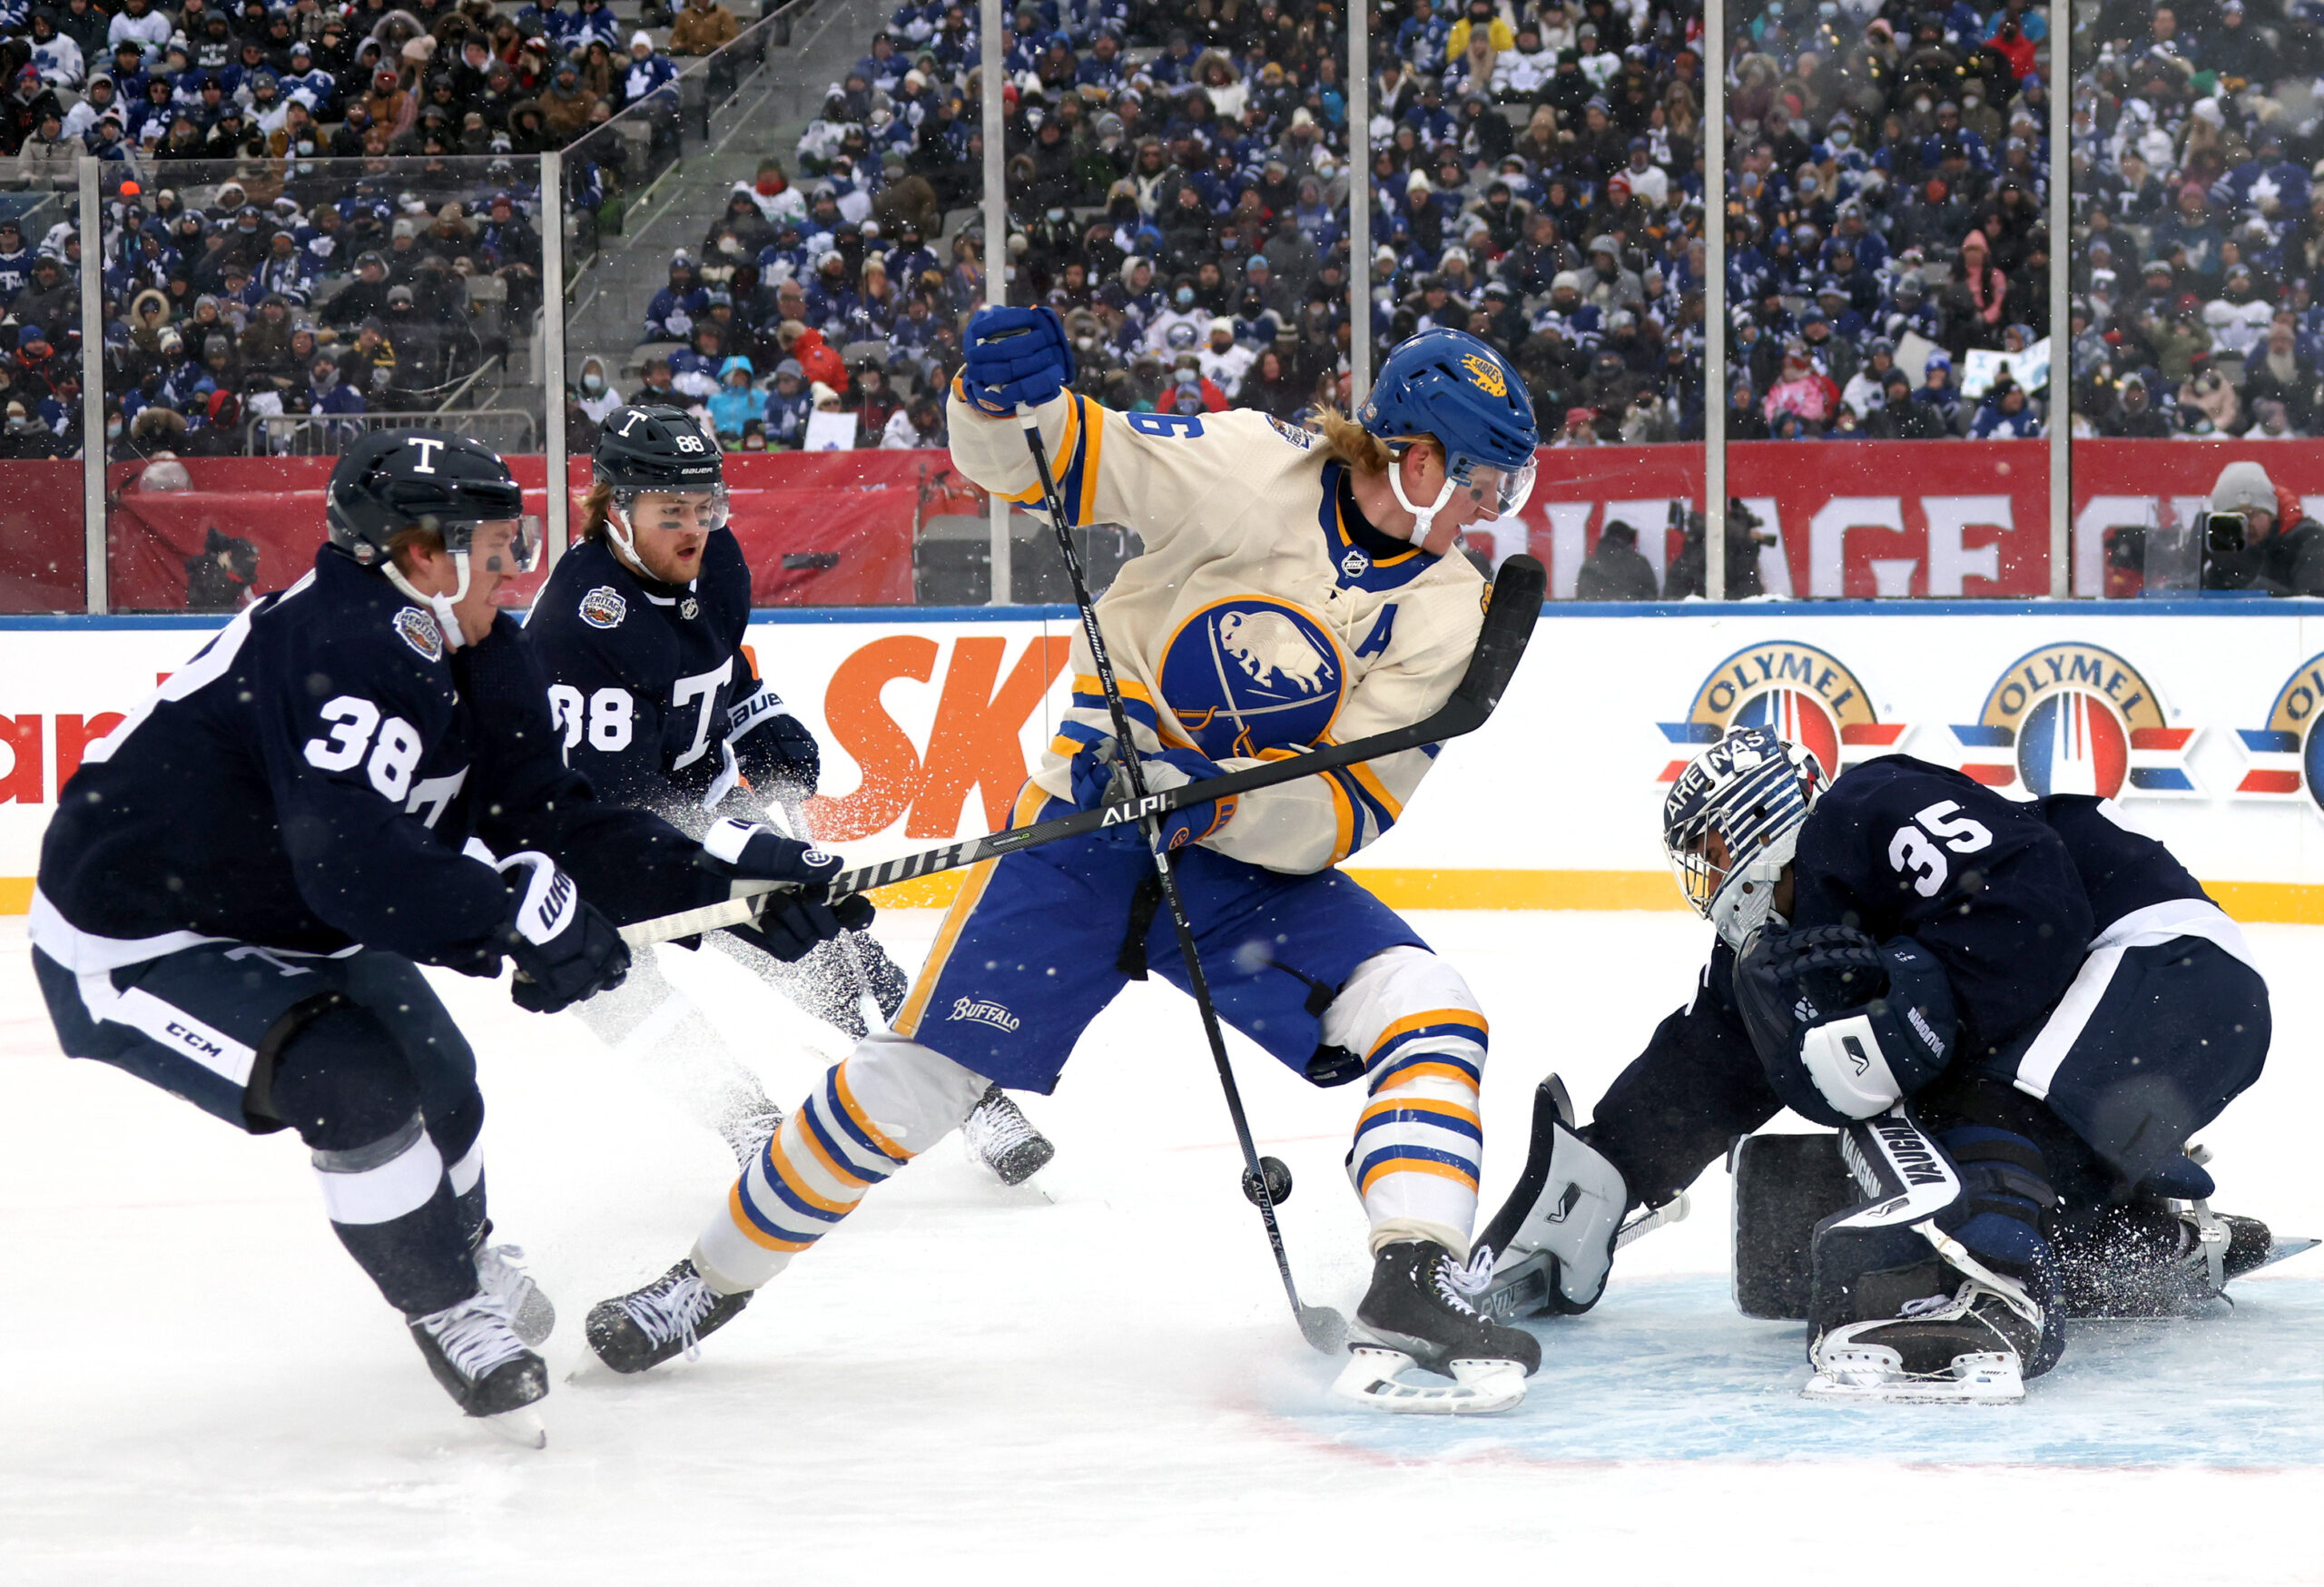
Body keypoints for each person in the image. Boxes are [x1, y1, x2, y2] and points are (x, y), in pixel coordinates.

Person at [582, 320, 1550, 1414]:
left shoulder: (1449, 610)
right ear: (1416, 461)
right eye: (1484, 481)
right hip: (1083, 837)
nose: (1491, 509)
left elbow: (1350, 804)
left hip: (1240, 873)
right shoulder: (1248, 463)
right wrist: (998, 399)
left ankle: (1413, 1274)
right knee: (914, 1082)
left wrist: (1225, 798)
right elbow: (1042, 454)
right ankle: (701, 1284)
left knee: (1430, 1007)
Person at [25, 431, 866, 1440]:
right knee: (353, 1080)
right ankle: (445, 1304)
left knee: (443, 1077)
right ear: (423, 552)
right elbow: (350, 865)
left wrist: (732, 886)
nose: (518, 564)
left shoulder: (479, 648)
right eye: (499, 541)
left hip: (295, 914)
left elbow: (553, 820)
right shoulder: (338, 646)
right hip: (140, 937)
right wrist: (507, 916)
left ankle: (459, 1250)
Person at [1475, 725, 2278, 1404]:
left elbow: (2030, 899)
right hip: (2136, 1019)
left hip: (2168, 962)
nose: (1708, 873)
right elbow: (1709, 1066)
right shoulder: (1768, 954)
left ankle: (1995, 1286)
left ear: (1757, 824)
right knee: (1930, 1111)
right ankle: (2131, 1248)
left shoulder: (1870, 809)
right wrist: (1598, 1182)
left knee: (1969, 1103)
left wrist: (1922, 991)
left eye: (1711, 847)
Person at [520, 406, 1053, 1179]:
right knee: (620, 989)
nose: (695, 528)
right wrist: (752, 851)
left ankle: (968, 1098)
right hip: (592, 846)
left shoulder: (717, 559)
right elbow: (622, 807)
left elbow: (713, 665)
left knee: (834, 949)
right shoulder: (578, 622)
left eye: (706, 508)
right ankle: (746, 1124)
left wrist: (757, 714)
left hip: (698, 806)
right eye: (672, 512)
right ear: (613, 510)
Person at [2199, 459, 2324, 596]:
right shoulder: (2224, 549)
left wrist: (2261, 589)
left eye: (2251, 515)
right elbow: (2182, 598)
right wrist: (2193, 559)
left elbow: (2315, 605)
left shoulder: (2309, 542)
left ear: (2272, 514)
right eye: (2234, 518)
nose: (2245, 525)